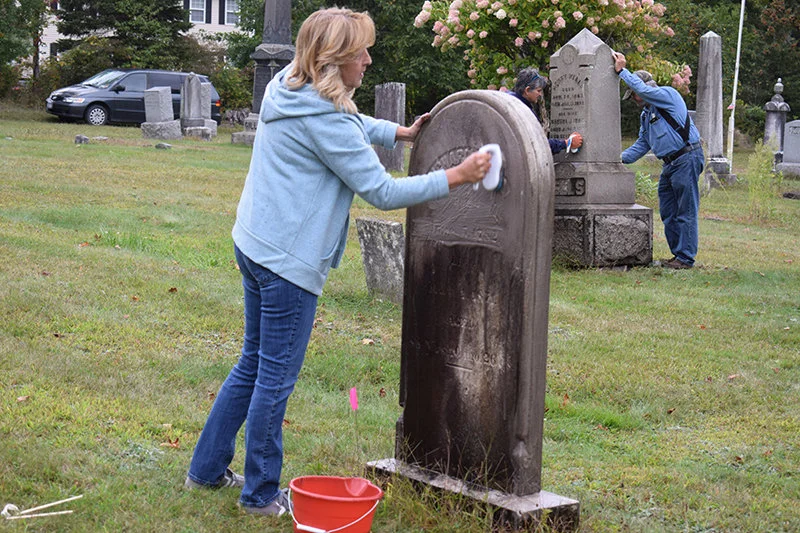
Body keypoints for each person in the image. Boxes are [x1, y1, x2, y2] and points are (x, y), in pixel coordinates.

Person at [183, 7, 491, 517]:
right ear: (335, 61)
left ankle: (205, 469)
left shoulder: (288, 82)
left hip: (255, 241)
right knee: (273, 378)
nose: (369, 60)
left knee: (251, 363)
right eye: (361, 53)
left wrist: (398, 132)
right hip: (285, 261)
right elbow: (382, 191)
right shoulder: (325, 115)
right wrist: (456, 175)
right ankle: (259, 496)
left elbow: (344, 119)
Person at [613, 51, 704, 269]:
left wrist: (622, 70)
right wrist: (615, 160)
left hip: (686, 156)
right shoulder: (646, 115)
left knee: (686, 209)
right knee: (668, 211)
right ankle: (678, 255)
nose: (634, 99)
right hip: (670, 164)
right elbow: (642, 144)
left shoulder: (667, 94)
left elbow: (643, 89)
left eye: (633, 94)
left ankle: (686, 258)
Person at [507, 67, 583, 154]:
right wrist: (566, 143)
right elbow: (537, 143)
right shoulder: (522, 110)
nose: (540, 94)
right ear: (527, 90)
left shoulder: (510, 102)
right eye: (538, 91)